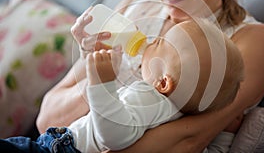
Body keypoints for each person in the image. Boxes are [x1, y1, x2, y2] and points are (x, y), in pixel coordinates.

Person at [36, 0, 264, 152]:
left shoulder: (254, 39)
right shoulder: (134, 9)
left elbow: (189, 140)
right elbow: (47, 121)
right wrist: (96, 70)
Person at [0, 20, 244, 153]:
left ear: (163, 82)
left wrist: (102, 83)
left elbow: (114, 136)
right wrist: (227, 134)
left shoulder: (147, 95)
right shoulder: (176, 115)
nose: (149, 42)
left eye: (159, 42)